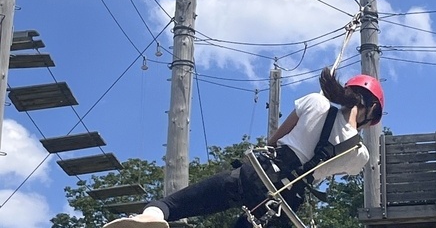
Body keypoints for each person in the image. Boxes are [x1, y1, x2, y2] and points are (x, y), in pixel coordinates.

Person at [103, 67, 384, 228]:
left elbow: (274, 141)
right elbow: (330, 166)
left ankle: (149, 217)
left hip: (258, 174)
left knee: (172, 205)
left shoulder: (316, 102)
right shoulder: (359, 154)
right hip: (283, 204)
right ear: (371, 113)